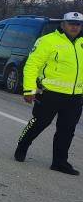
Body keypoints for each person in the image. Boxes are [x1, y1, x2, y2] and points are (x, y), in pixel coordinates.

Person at [15, 11, 83, 175]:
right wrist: (29, 89)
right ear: (63, 24)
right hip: (49, 93)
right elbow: (32, 65)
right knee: (39, 123)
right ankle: (22, 145)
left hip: (75, 96)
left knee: (67, 130)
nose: (74, 27)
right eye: (71, 23)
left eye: (78, 24)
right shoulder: (47, 41)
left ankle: (59, 162)